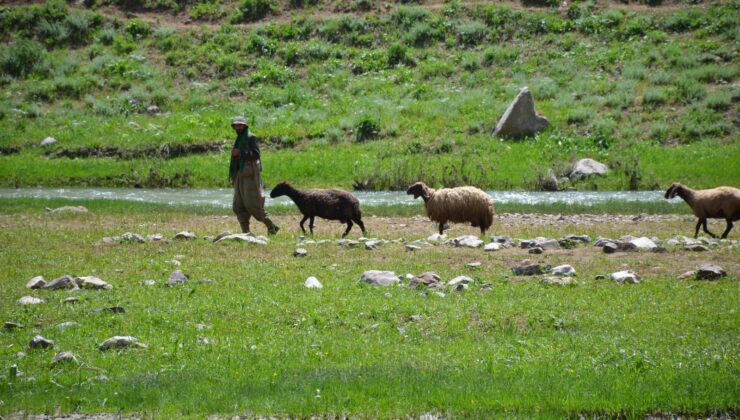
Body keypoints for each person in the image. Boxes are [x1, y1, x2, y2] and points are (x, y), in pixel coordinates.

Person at [229, 116, 279, 235]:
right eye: (236, 125)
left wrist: (240, 153)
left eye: (240, 125)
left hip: (250, 176)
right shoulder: (239, 138)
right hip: (240, 176)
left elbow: (256, 155)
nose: (238, 127)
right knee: (238, 205)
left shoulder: (251, 137)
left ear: (245, 126)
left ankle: (271, 226)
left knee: (253, 204)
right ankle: (245, 232)